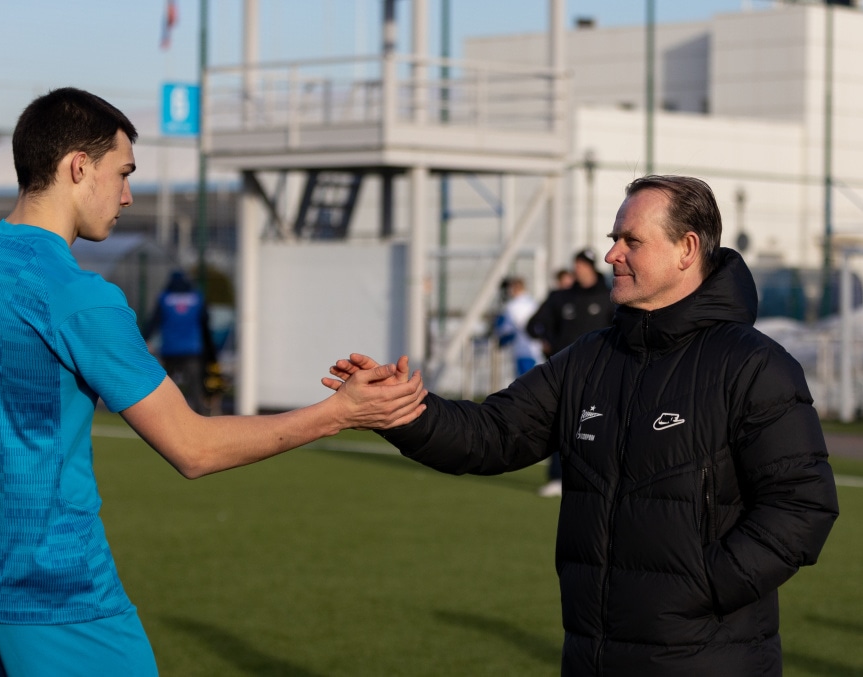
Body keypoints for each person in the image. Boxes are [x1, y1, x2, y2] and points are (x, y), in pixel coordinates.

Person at [0, 87, 427, 677]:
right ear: (77, 167)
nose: (128, 195)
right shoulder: (78, 295)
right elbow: (194, 448)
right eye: (123, 173)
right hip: (61, 602)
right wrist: (339, 413)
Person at [325, 175, 839, 677]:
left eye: (630, 241)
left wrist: (701, 588)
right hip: (591, 654)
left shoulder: (752, 365)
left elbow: (803, 505)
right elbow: (491, 434)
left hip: (708, 658)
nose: (612, 254)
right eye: (614, 239)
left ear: (686, 249)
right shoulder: (589, 359)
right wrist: (400, 409)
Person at [526, 248, 615, 497]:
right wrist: (548, 343)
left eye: (584, 265)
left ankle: (597, 477)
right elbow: (534, 325)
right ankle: (557, 477)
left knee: (597, 425)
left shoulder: (609, 296)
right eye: (577, 265)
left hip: (600, 374)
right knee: (562, 423)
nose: (580, 270)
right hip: (564, 373)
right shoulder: (561, 297)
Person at [143, 269, 215, 413]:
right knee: (195, 387)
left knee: (165, 385)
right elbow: (205, 323)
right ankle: (201, 415)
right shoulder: (197, 298)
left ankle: (161, 412)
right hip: (192, 349)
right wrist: (210, 348)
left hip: (170, 348)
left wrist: (145, 338)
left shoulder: (164, 298)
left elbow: (154, 321)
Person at [494, 276, 543, 377]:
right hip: (535, 349)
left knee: (523, 382)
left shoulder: (512, 306)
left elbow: (506, 329)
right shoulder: (534, 303)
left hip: (522, 349)